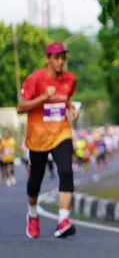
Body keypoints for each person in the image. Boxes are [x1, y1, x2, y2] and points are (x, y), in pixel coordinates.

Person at [17, 42, 79, 239]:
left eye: (63, 58)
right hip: (38, 136)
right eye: (56, 58)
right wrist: (43, 97)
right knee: (36, 178)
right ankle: (33, 215)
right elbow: (21, 107)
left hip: (61, 132)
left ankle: (63, 220)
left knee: (66, 171)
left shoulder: (70, 79)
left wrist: (70, 108)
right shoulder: (35, 79)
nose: (61, 62)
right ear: (48, 59)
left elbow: (65, 97)